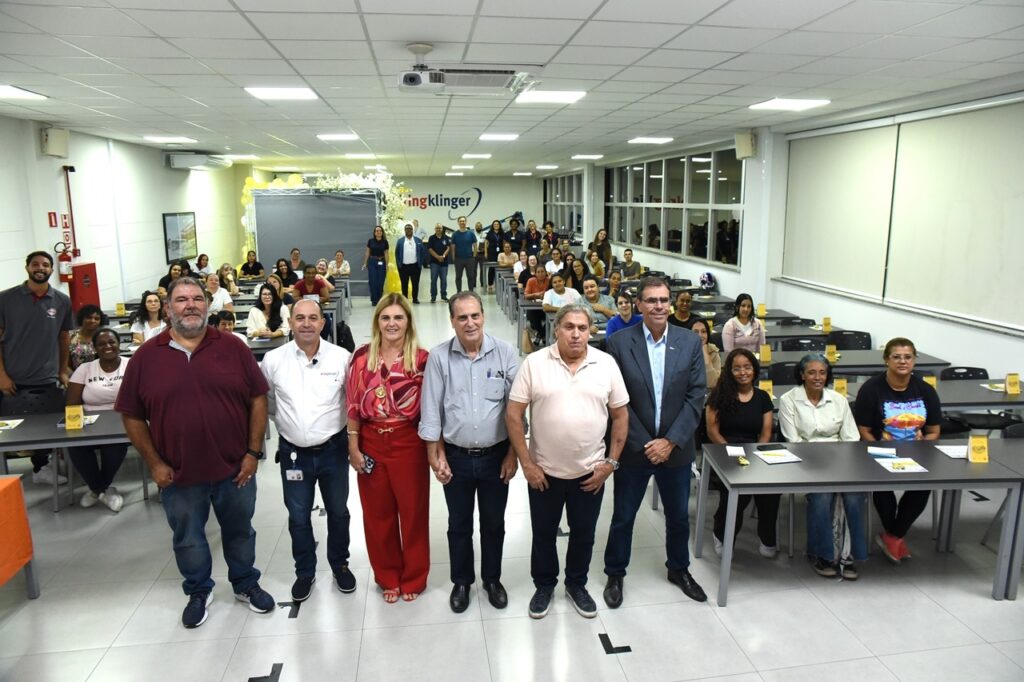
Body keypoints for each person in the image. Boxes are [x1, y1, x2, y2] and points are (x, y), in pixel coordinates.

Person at [116, 277, 275, 629]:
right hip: (178, 474)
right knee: (188, 537)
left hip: (235, 468)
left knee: (240, 530)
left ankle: (245, 583)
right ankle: (198, 591)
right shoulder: (146, 357)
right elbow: (131, 415)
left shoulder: (233, 347)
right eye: (182, 299)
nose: (191, 305)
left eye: (197, 299)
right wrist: (154, 463)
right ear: (168, 307)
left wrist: (253, 453)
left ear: (208, 304)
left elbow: (257, 399)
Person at [506, 305, 628, 619]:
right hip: (543, 473)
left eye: (583, 328)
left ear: (591, 331)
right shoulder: (534, 363)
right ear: (557, 328)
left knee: (584, 533)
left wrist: (610, 464)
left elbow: (620, 415)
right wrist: (527, 465)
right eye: (569, 327)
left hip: (591, 472)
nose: (576, 334)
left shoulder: (606, 364)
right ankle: (544, 585)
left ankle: (576, 584)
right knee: (544, 533)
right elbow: (513, 415)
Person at [603, 278, 707, 607]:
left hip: (676, 450)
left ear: (671, 303)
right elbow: (616, 401)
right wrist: (648, 442)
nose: (658, 306)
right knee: (623, 516)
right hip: (635, 448)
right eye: (651, 300)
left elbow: (696, 397)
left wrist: (670, 442)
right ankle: (615, 573)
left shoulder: (689, 342)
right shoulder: (619, 343)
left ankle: (679, 568)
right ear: (639, 305)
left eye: (663, 300)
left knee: (678, 516)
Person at [419, 292, 519, 613]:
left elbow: (516, 413)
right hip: (457, 457)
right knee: (458, 524)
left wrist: (514, 455)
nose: (470, 322)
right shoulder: (439, 357)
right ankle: (461, 581)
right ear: (452, 322)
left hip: (496, 455)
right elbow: (431, 410)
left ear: (483, 316)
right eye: (462, 317)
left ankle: (492, 579)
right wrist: (436, 456)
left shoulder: (505, 354)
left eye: (474, 315)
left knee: (494, 523)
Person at [261, 299, 356, 602]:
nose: (306, 324)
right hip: (294, 454)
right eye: (299, 318)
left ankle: (340, 564)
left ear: (322, 323)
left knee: (338, 512)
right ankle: (305, 571)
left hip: (333, 450)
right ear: (289, 322)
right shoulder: (273, 360)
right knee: (298, 515)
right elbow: (270, 402)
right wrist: (292, 426)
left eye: (312, 318)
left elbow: (351, 404)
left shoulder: (342, 358)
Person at [345, 294, 430, 603]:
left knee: (413, 513)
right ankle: (387, 576)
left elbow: (431, 411)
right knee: (377, 515)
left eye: (398, 317)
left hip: (409, 442)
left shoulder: (422, 359)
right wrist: (353, 446)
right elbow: (353, 405)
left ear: (408, 321)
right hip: (371, 443)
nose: (392, 323)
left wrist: (435, 451)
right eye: (386, 318)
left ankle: (414, 577)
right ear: (377, 321)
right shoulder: (361, 357)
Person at [854, 337, 941, 563]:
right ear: (886, 360)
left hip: (918, 451)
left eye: (908, 357)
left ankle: (893, 534)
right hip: (880, 450)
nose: (903, 361)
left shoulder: (926, 390)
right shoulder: (871, 389)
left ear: (914, 360)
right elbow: (863, 430)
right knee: (883, 487)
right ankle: (895, 534)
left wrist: (924, 448)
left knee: (923, 487)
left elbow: (933, 430)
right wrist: (879, 451)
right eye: (897, 357)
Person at [779, 354, 864, 579]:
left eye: (822, 372)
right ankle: (821, 553)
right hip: (806, 462)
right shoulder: (789, 400)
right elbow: (793, 441)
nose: (818, 377)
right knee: (822, 496)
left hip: (840, 460)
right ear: (802, 375)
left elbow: (851, 437)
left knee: (855, 497)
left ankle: (850, 554)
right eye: (812, 372)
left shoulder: (839, 400)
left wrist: (838, 462)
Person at [0, 251, 72, 485]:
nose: (40, 268)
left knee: (48, 427)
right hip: (12, 379)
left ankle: (42, 467)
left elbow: (64, 338)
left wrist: (62, 370)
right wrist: (1, 375)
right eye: (35, 264)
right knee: (12, 431)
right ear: (27, 267)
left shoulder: (62, 300)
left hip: (47, 377)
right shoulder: (5, 299)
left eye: (45, 264)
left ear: (51, 269)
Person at [706, 348, 778, 557]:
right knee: (737, 494)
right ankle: (722, 533)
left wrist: (755, 454)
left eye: (747, 367)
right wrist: (734, 454)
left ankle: (767, 537)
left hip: (754, 452)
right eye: (736, 368)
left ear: (754, 370)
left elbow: (765, 433)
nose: (742, 372)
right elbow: (713, 432)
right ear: (729, 371)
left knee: (771, 493)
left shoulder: (763, 397)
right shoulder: (719, 396)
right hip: (723, 450)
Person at [66, 327, 130, 512]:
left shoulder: (131, 365)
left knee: (115, 446)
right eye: (101, 344)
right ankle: (102, 490)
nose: (107, 346)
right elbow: (72, 403)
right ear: (94, 348)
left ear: (119, 344)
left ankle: (96, 490)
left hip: (122, 420)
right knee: (76, 446)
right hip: (90, 422)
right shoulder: (84, 369)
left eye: (112, 342)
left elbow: (141, 396)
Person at [68, 304, 108, 371]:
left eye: (97, 318)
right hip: (76, 376)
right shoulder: (70, 337)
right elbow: (65, 365)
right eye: (89, 317)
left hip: (101, 376)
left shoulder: (104, 337)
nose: (93, 321)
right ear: (82, 318)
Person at [395, 222, 424, 304]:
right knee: (404, 284)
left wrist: (420, 264)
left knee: (415, 283)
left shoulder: (418, 240)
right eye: (407, 229)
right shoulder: (400, 241)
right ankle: (404, 299)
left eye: (410, 229)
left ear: (413, 230)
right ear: (404, 230)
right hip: (403, 267)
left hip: (415, 266)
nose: (409, 230)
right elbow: (396, 253)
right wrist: (399, 264)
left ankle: (415, 299)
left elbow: (422, 252)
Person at [362, 225, 389, 306]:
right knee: (373, 281)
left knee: (380, 281)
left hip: (382, 262)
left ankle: (380, 299)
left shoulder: (385, 242)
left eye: (380, 231)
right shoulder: (371, 241)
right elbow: (367, 252)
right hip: (372, 262)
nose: (378, 232)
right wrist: (365, 263)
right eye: (377, 231)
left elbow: (386, 253)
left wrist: (387, 264)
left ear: (382, 232)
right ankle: (374, 300)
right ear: (374, 233)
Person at [691, 318, 721, 389]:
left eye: (704, 331)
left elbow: (712, 383)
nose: (700, 335)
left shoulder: (713, 351)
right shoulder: (682, 352)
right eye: (695, 332)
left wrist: (706, 356)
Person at [452, 215, 477, 292]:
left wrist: (474, 255)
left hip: (469, 259)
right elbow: (453, 246)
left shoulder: (471, 233)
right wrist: (453, 257)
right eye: (460, 221)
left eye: (463, 221)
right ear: (458, 223)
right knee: (458, 277)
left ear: (466, 222)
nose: (462, 222)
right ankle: (459, 292)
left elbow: (475, 245)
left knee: (471, 276)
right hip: (458, 259)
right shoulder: (455, 234)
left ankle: (471, 292)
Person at [428, 223, 452, 303]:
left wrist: (443, 256)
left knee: (444, 280)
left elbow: (448, 248)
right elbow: (430, 249)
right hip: (434, 263)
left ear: (442, 229)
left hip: (444, 263)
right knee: (433, 280)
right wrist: (438, 257)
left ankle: (444, 296)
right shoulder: (431, 238)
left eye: (440, 228)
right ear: (435, 229)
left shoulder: (446, 238)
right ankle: (433, 296)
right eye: (437, 228)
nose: (439, 229)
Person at [484, 220, 504, 290]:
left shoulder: (502, 233)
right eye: (495, 224)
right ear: (493, 225)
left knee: (500, 268)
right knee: (491, 268)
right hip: (491, 252)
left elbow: (504, 242)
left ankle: (499, 284)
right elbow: (486, 243)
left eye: (497, 224)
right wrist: (486, 252)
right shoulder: (490, 233)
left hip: (500, 253)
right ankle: (490, 284)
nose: (496, 225)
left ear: (499, 225)